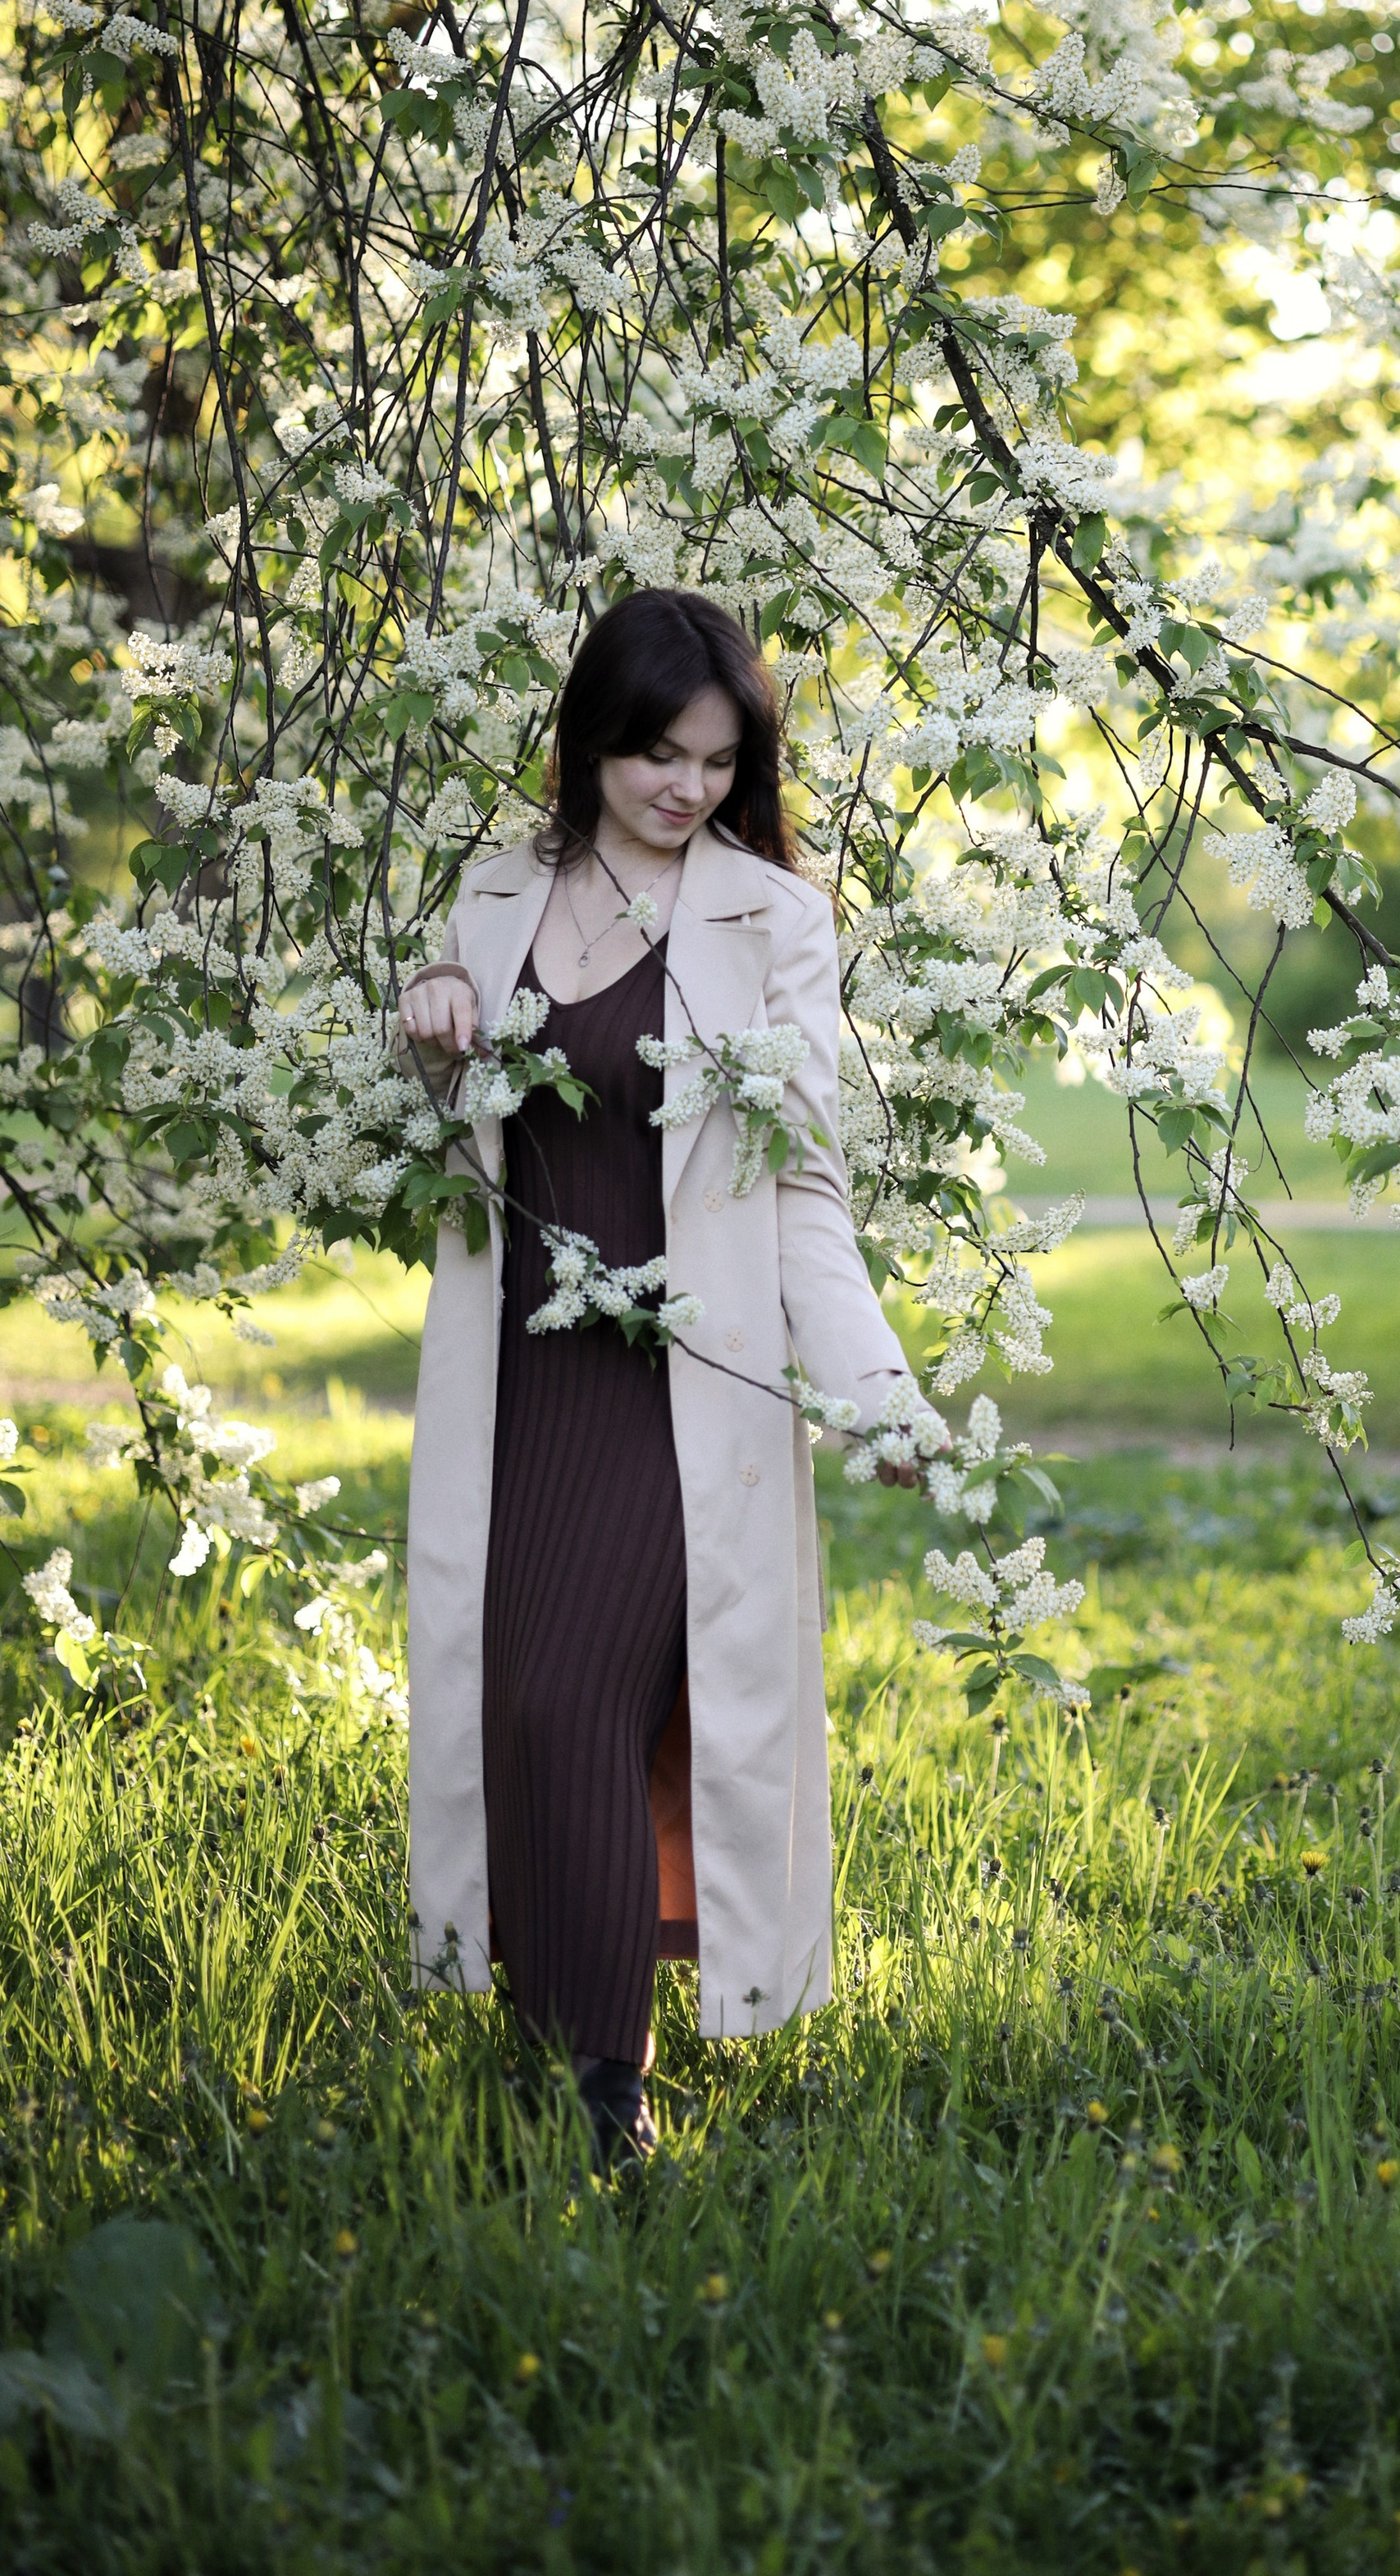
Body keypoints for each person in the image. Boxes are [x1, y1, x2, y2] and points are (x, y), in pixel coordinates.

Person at [396, 589, 907, 2166]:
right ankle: (555, 2078)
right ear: (593, 739)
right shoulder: (494, 896)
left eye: (715, 758)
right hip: (516, 1385)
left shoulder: (773, 919)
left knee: (576, 1706)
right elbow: (438, 1158)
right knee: (526, 1719)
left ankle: (596, 2104)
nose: (684, 787)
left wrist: (873, 1382)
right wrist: (422, 1049)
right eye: (654, 753)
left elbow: (803, 1184)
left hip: (680, 1386)